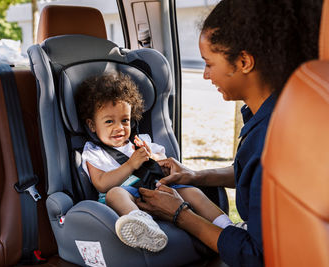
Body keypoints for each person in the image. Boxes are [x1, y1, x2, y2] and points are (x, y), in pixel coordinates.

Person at [135, 0, 323, 266]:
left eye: (209, 64)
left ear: (244, 61)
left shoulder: (269, 139)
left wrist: (179, 214)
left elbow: (257, 257)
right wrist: (194, 175)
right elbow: (255, 177)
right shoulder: (284, 109)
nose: (205, 75)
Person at [75, 73, 223, 253]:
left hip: (156, 191)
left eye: (125, 120)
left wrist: (153, 158)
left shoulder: (141, 141)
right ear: (92, 125)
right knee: (115, 193)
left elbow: (165, 166)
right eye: (109, 121)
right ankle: (144, 227)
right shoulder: (95, 152)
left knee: (192, 191)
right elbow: (101, 184)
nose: (119, 127)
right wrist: (130, 164)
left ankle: (228, 227)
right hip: (126, 197)